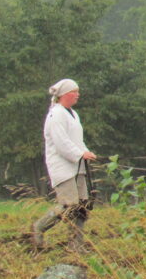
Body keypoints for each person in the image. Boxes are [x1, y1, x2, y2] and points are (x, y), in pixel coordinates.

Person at [30, 79, 97, 251]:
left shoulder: (73, 114)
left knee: (82, 206)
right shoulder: (56, 114)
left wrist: (86, 152)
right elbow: (61, 142)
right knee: (68, 205)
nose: (78, 95)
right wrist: (80, 154)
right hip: (63, 167)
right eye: (75, 91)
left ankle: (76, 245)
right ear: (66, 94)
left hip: (77, 167)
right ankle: (39, 227)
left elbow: (76, 141)